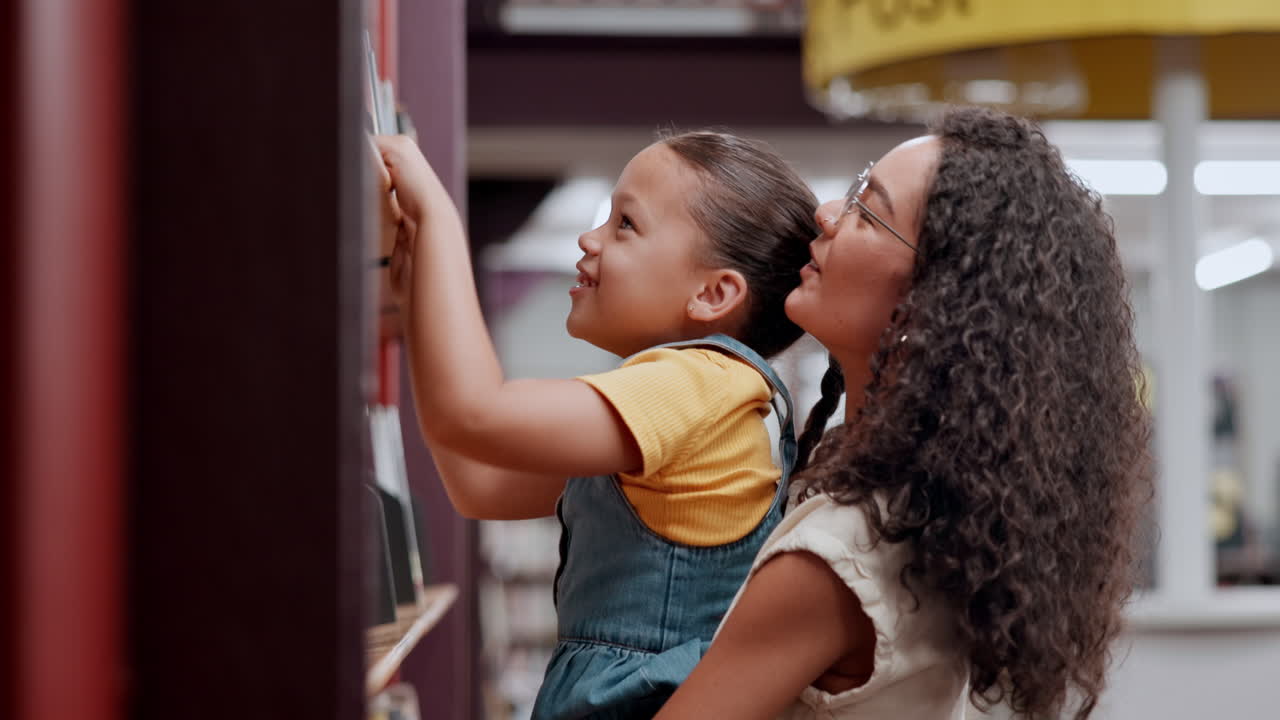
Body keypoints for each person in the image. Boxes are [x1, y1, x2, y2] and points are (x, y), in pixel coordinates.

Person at [655, 106, 1153, 720]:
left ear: (928, 308)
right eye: (857, 188)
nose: (827, 213)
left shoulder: (836, 557)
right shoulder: (943, 523)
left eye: (868, 212)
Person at [374, 129, 819, 718]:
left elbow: (474, 415)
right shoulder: (694, 405)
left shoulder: (702, 386)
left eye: (625, 225)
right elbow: (479, 483)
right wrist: (418, 308)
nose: (589, 239)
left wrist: (437, 218)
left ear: (713, 293)